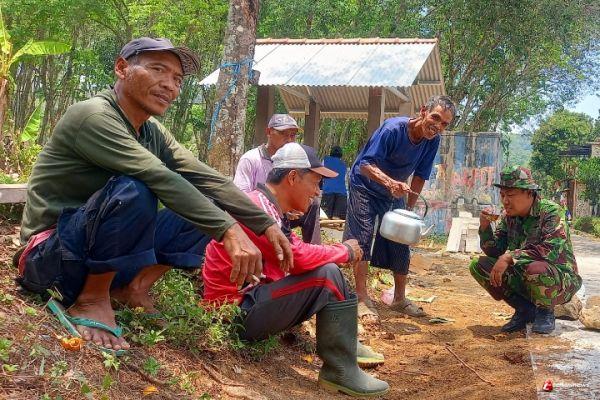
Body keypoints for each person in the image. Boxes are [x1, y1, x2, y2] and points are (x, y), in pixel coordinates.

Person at [15, 37, 292, 353]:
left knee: (209, 201)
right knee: (137, 188)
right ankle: (91, 299)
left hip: (94, 254)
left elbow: (205, 177)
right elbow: (158, 176)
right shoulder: (93, 115)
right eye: (158, 69)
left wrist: (263, 223)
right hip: (51, 259)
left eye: (177, 79)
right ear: (122, 68)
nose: (169, 85)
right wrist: (228, 230)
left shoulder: (151, 130)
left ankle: (132, 288)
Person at [203, 142, 389, 397]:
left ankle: (346, 347)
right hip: (233, 316)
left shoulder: (267, 206)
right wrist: (344, 251)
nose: (317, 191)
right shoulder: (258, 208)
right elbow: (297, 257)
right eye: (315, 182)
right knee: (328, 275)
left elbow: (293, 256)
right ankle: (340, 369)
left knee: (325, 270)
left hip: (247, 302)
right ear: (292, 177)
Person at [344, 95, 456, 322]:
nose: (438, 126)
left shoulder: (432, 141)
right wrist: (389, 183)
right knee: (362, 237)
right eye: (435, 117)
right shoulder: (393, 129)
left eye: (444, 124)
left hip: (394, 190)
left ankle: (399, 299)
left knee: (401, 239)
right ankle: (361, 298)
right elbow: (365, 164)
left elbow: (421, 175)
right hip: (364, 186)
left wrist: (409, 210)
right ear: (423, 111)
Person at [470, 166, 582, 334]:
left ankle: (545, 312)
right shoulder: (509, 217)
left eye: (510, 195)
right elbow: (495, 251)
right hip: (525, 275)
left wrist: (510, 257)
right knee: (479, 266)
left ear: (529, 193)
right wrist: (485, 228)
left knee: (536, 268)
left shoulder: (551, 212)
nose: (505, 201)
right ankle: (524, 310)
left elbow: (549, 250)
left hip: (559, 280)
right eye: (502, 195)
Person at [233, 114, 322, 244]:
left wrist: (290, 206)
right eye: (284, 134)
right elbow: (240, 197)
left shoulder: (291, 162)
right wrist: (279, 210)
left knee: (313, 204)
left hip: (284, 213)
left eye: (293, 135)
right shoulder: (251, 159)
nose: (289, 140)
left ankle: (314, 247)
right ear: (269, 132)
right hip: (258, 216)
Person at [321, 145, 348, 219]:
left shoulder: (325, 160)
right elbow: (346, 180)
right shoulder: (344, 164)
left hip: (328, 192)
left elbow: (321, 175)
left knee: (325, 217)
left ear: (331, 153)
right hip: (342, 193)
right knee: (337, 219)